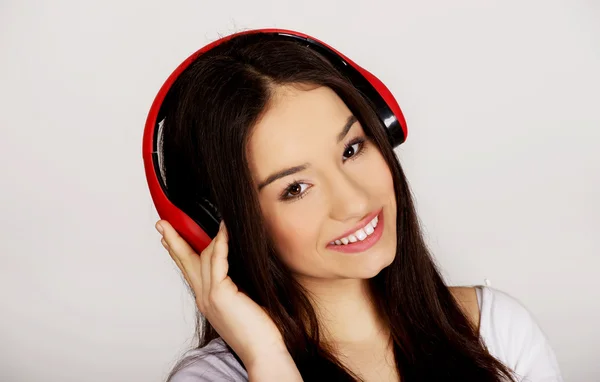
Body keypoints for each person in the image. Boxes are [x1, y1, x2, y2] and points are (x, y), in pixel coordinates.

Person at [152, 32, 563, 381]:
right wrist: (267, 360)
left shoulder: (498, 331)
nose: (354, 200)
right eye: (295, 187)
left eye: (352, 149)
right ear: (214, 224)